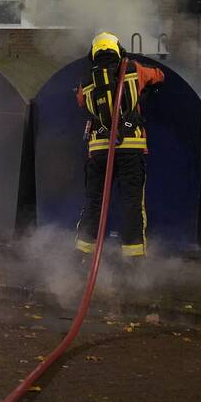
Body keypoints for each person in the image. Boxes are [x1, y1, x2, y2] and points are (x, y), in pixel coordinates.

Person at [75, 31, 164, 261]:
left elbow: (80, 102)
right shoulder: (134, 70)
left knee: (94, 201)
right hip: (130, 149)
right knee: (131, 202)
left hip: (99, 152)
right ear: (118, 50)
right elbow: (159, 75)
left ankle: (83, 253)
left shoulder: (86, 82)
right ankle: (133, 258)